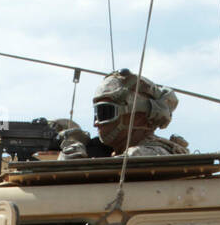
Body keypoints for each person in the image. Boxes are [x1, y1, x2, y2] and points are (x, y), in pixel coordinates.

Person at [57, 69, 189, 160]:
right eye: (96, 114)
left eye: (105, 113)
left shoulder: (145, 155)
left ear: (140, 117)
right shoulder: (111, 153)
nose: (96, 123)